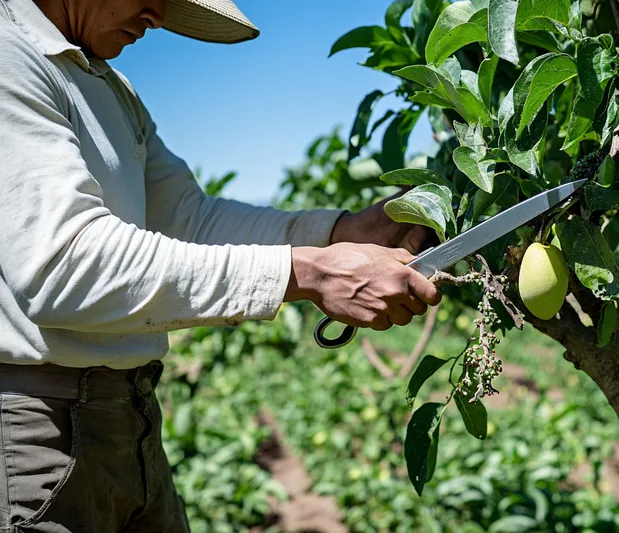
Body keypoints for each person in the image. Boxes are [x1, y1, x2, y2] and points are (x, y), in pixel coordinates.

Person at [0, 0, 442, 531]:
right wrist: (308, 273)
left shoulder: (113, 88)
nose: (157, 15)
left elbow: (188, 220)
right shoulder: (12, 56)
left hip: (131, 416)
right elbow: (64, 267)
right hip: (37, 429)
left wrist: (340, 231)